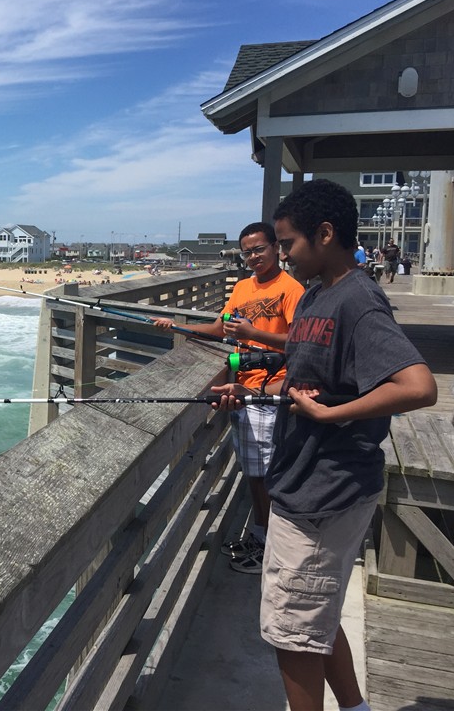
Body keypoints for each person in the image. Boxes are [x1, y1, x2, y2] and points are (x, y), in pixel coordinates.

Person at [257, 179, 436, 711]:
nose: (282, 255)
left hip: (325, 491)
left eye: (288, 243)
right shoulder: (317, 293)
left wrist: (331, 415)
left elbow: (419, 386)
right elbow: (311, 373)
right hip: (303, 483)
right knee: (317, 617)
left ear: (325, 234)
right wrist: (254, 393)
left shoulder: (358, 300)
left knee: (292, 635)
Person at [154, 221, 304, 574]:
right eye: (247, 252)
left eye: (259, 249)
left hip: (271, 391)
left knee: (266, 476)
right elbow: (221, 328)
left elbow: (300, 342)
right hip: (242, 387)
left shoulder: (291, 289)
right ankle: (262, 534)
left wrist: (253, 334)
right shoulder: (241, 287)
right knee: (255, 473)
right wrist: (180, 327)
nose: (253, 257)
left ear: (276, 248)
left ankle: (269, 547)